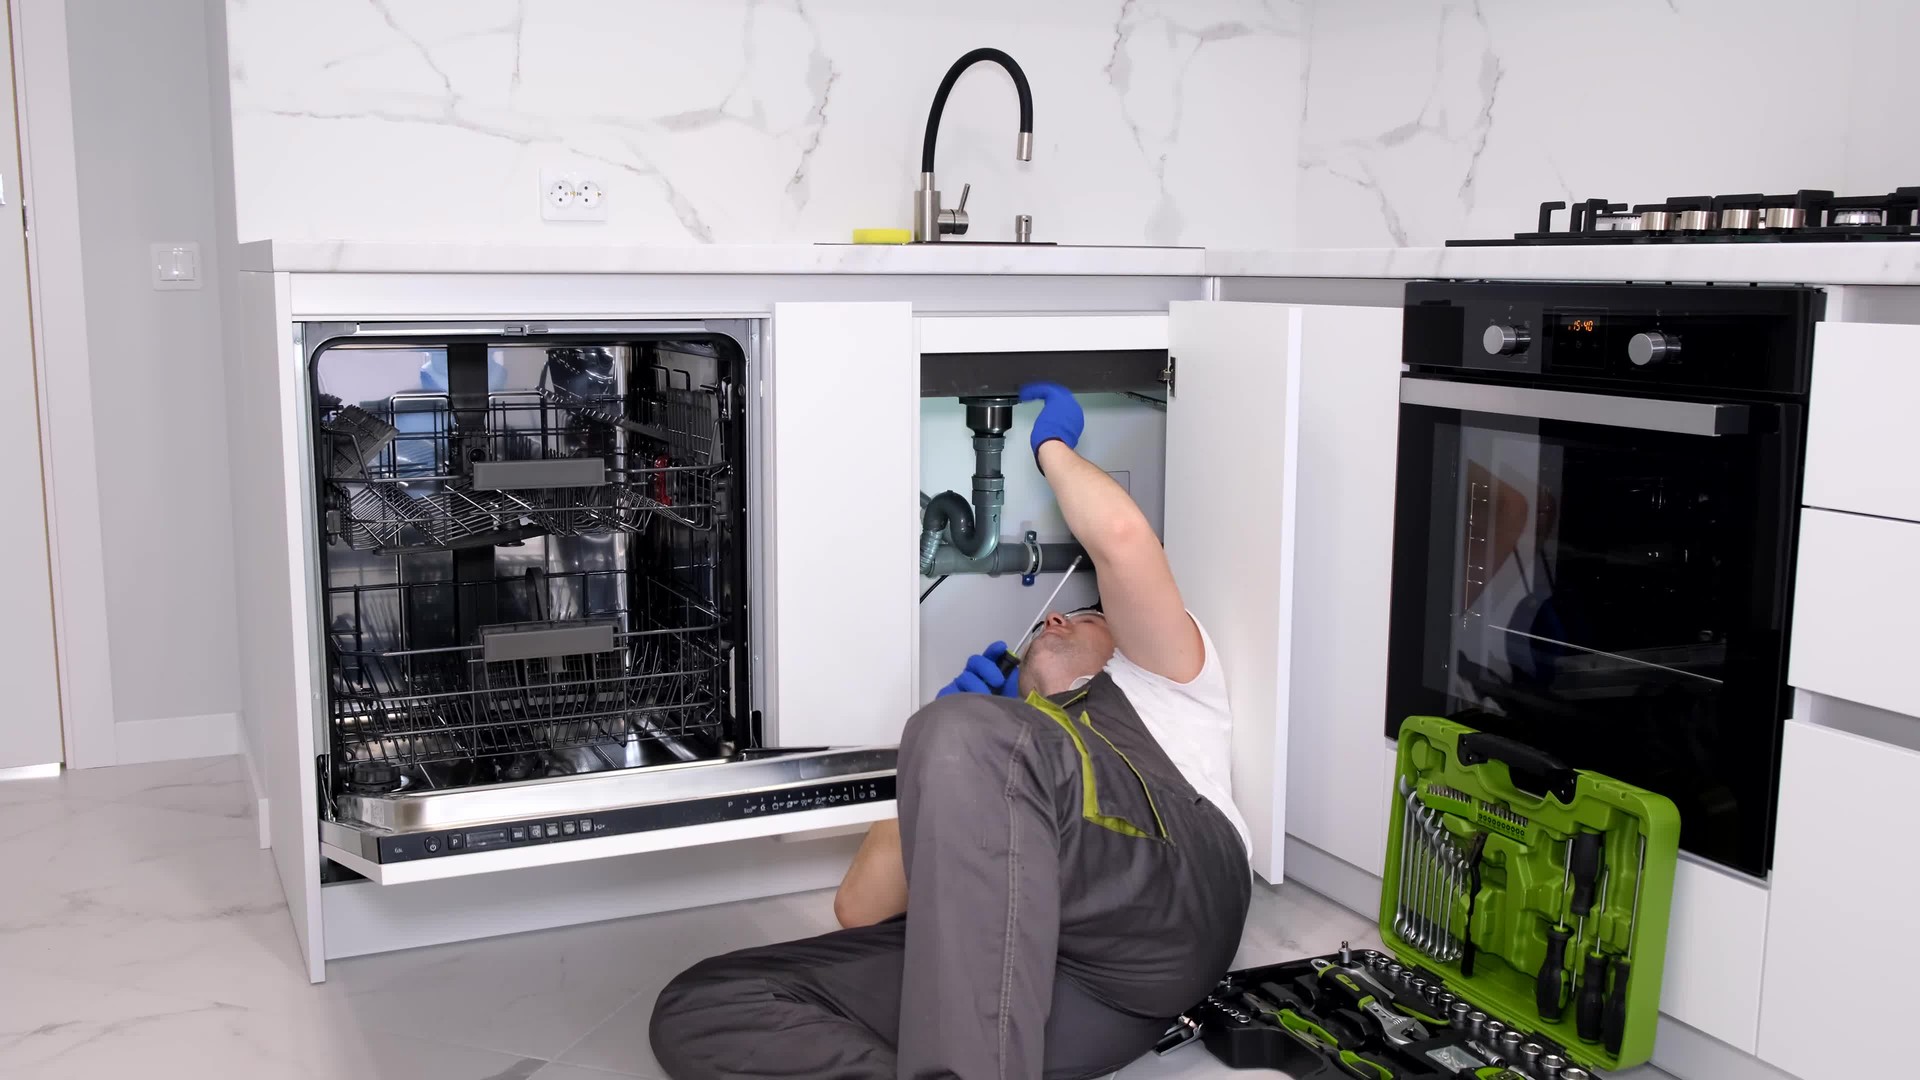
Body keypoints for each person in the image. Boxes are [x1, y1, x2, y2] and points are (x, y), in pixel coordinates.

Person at [649, 383, 1252, 1079]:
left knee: (968, 735)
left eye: (1084, 618)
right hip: (1050, 994)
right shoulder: (998, 738)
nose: (1054, 621)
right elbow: (861, 905)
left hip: (1163, 917)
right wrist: (930, 751)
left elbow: (1119, 540)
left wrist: (1051, 446)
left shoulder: (1161, 677)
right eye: (1044, 627)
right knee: (707, 1003)